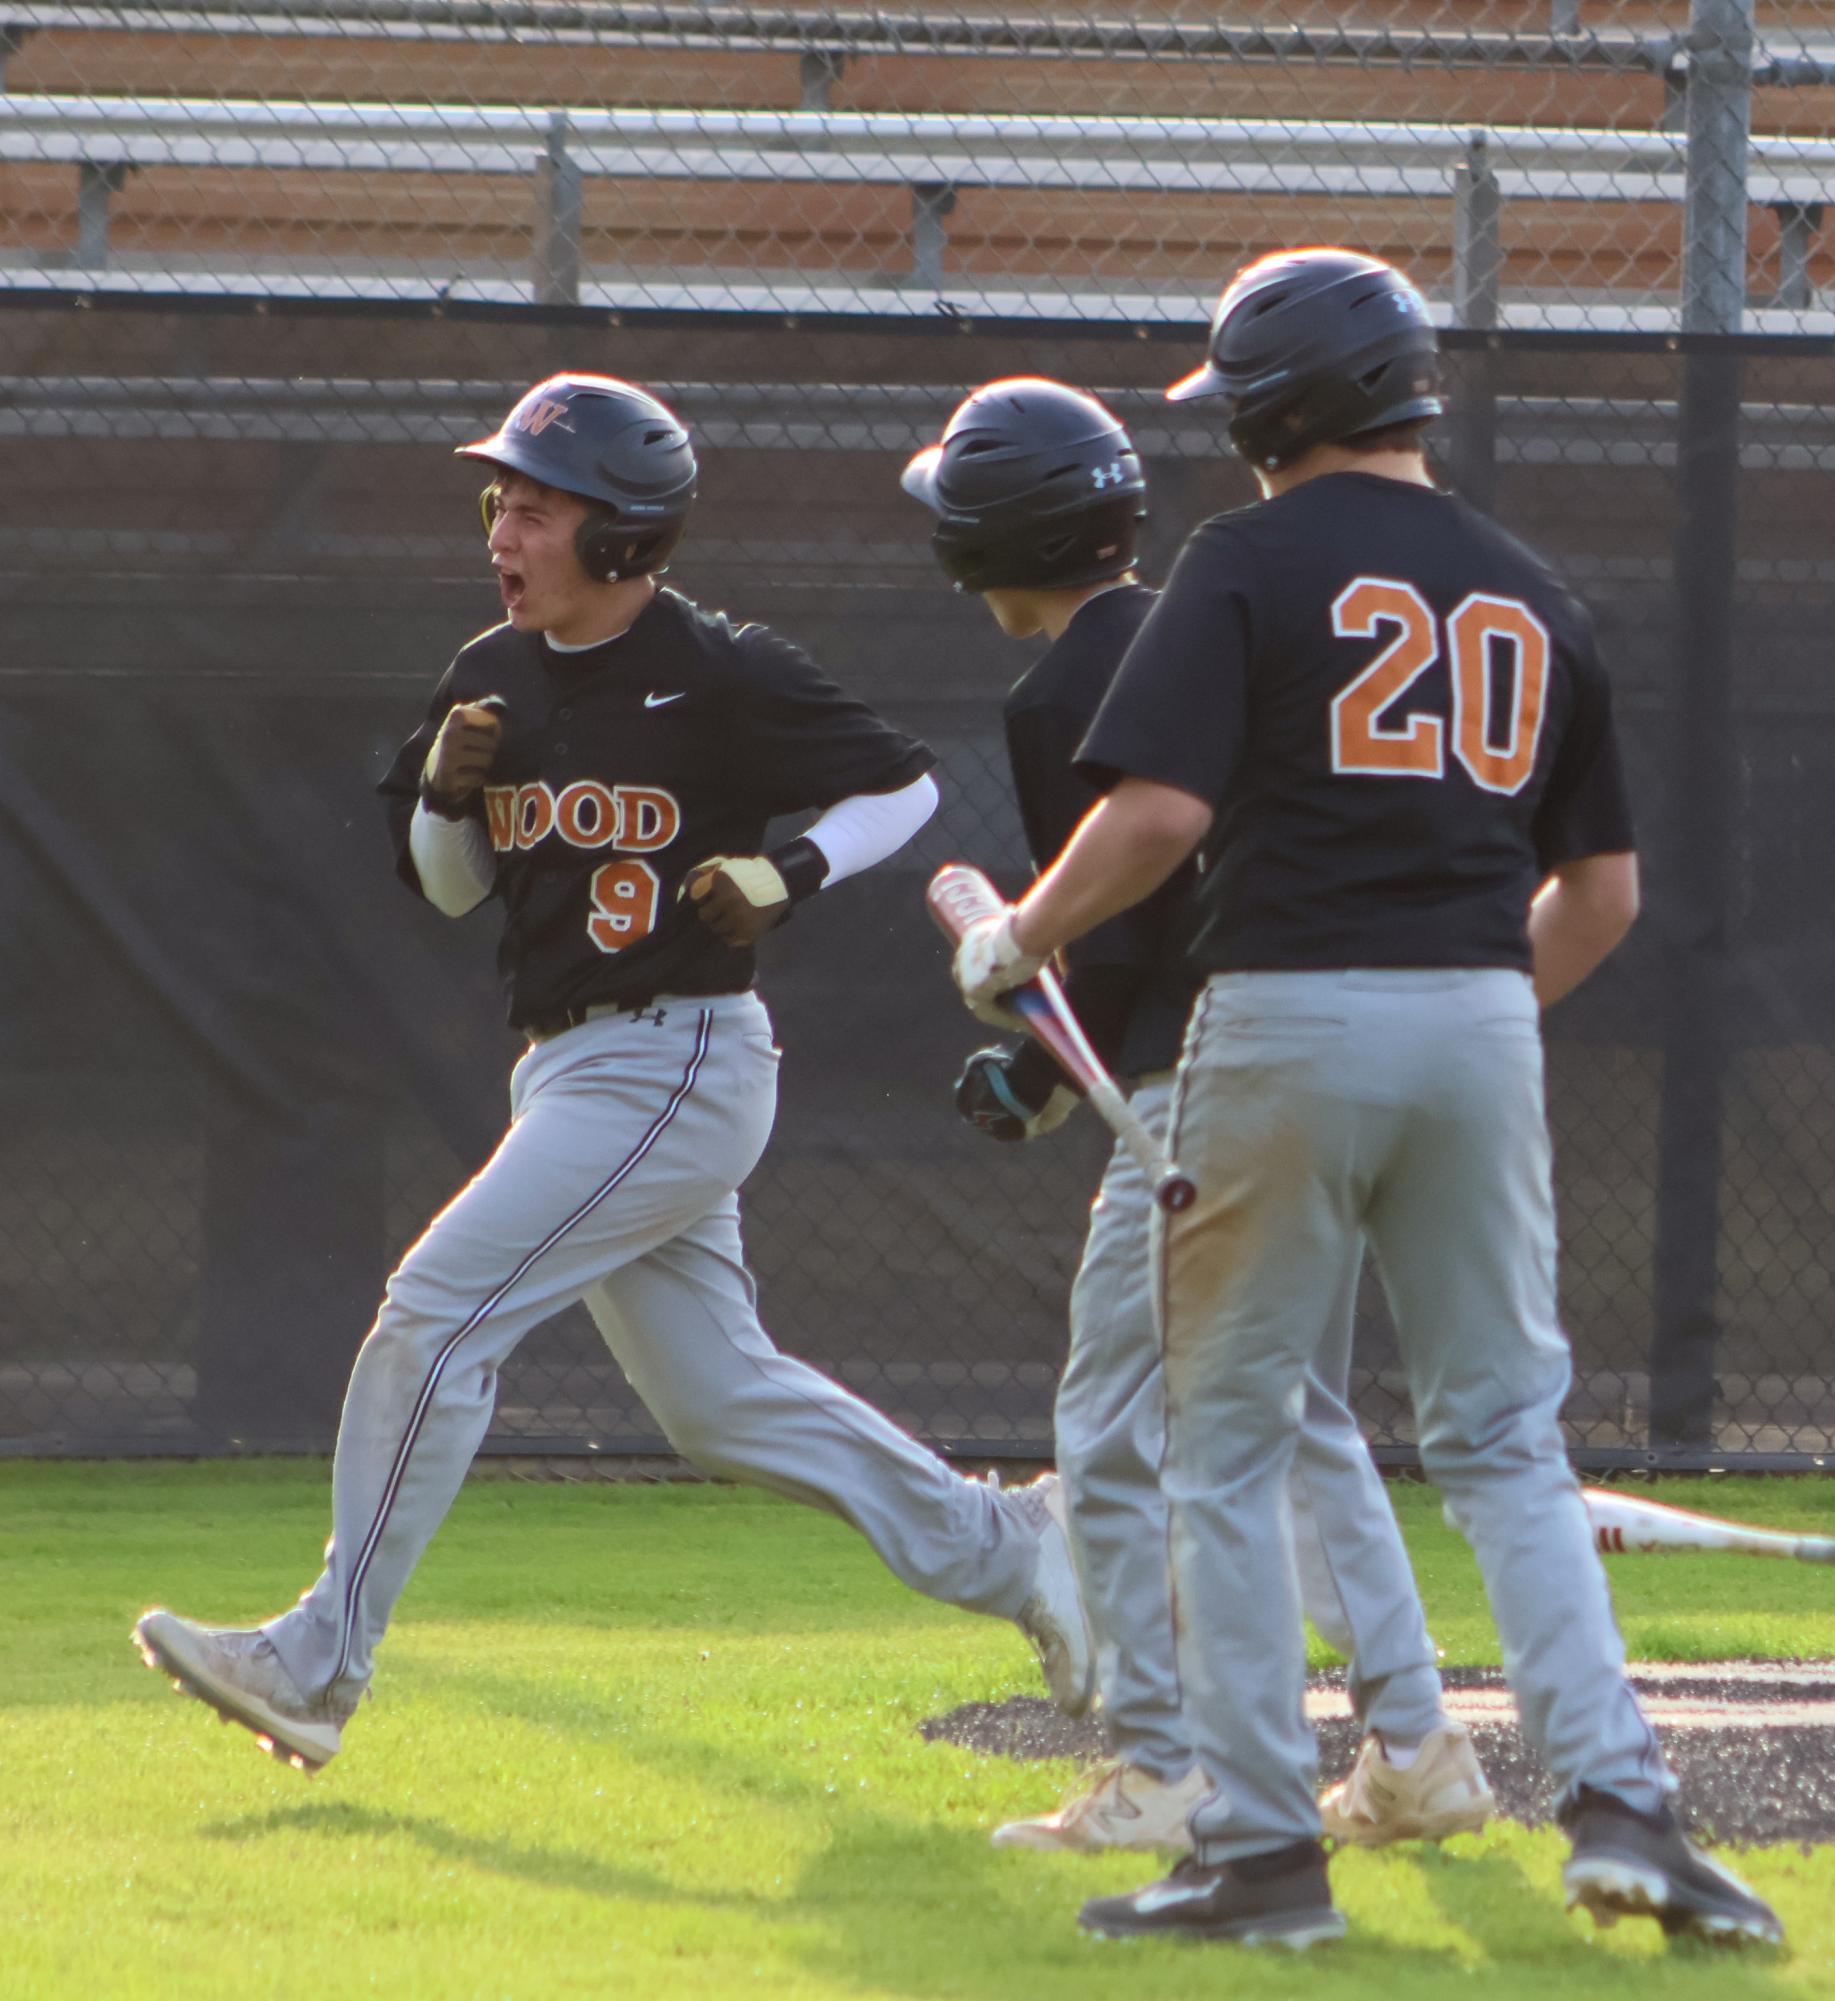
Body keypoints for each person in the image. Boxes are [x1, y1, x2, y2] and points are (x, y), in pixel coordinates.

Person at [950, 252, 1783, 1950]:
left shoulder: (1244, 557)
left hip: (1279, 1014)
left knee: (1226, 1443)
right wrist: (1460, 1005)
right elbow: (1605, 894)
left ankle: (1261, 1849)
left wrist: (1021, 936)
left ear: (1274, 410)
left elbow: (1164, 813)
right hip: (1484, 1014)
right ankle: (1623, 1807)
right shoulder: (1532, 584)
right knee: (1503, 1442)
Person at [133, 371, 1090, 1772]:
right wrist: (452, 801)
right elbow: (448, 889)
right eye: (498, 504)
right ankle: (1013, 1549)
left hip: (678, 1057)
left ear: (626, 539)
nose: (502, 533)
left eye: (535, 508)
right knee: (719, 1398)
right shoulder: (491, 672)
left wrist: (794, 865)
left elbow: (907, 787)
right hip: (574, 1068)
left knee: (436, 1313)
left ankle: (321, 1658)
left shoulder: (719, 667)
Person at [903, 376, 1490, 1856]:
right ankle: (1414, 1741)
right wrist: (1050, 1062)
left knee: (1108, 1429)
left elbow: (1126, 915)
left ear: (983, 540)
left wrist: (1034, 1047)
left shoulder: (1064, 684)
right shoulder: (1196, 619)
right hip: (1319, 1055)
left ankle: (1167, 1766)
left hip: (1200, 1088)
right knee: (1298, 1414)